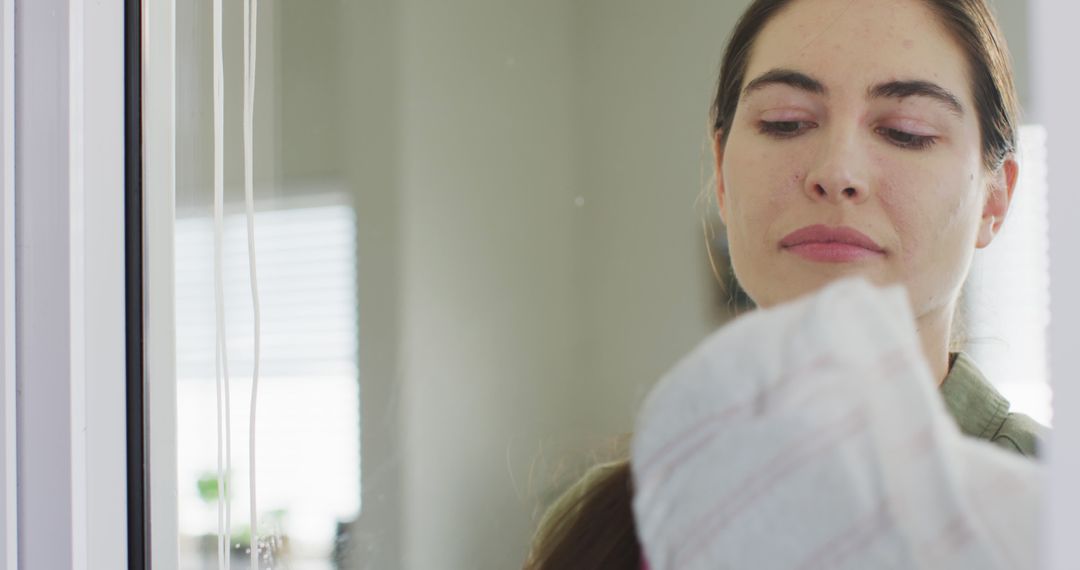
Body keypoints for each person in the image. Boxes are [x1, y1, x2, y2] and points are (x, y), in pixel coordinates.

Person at [522, 0, 1049, 568]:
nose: (836, 172)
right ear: (721, 171)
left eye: (905, 132)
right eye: (785, 123)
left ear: (996, 198)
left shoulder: (1050, 506)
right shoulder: (609, 521)